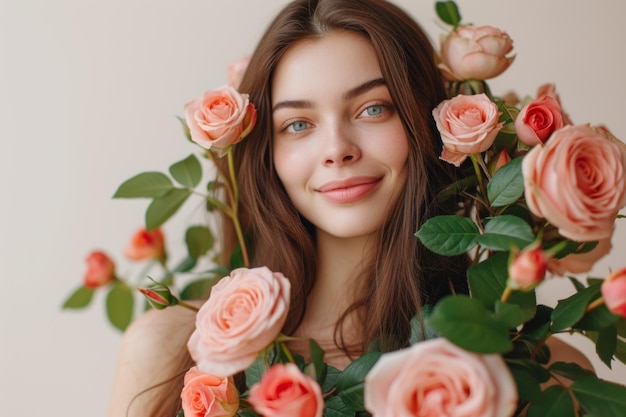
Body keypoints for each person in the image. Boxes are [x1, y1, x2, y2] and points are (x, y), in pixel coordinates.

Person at [107, 0, 590, 416]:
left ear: (429, 121)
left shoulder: (542, 375)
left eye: (373, 108)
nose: (337, 149)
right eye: (297, 124)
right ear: (265, 153)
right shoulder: (168, 352)